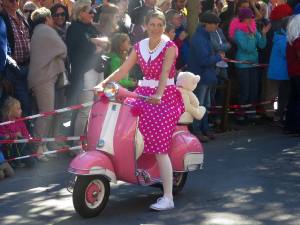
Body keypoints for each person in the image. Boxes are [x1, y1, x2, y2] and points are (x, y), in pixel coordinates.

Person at [94, 10, 184, 211]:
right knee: (125, 128)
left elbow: (164, 73)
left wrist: (159, 94)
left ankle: (168, 197)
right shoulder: (139, 46)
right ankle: (134, 170)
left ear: (164, 26)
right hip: (143, 93)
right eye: (152, 24)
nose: (156, 28)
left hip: (165, 96)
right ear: (145, 26)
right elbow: (123, 70)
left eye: (160, 24)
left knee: (160, 146)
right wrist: (102, 84)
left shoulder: (169, 47)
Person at [66, 0, 109, 142]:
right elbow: (90, 50)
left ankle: (90, 140)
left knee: (97, 108)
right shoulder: (74, 28)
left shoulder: (91, 27)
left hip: (98, 70)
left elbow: (106, 42)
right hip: (85, 72)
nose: (93, 13)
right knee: (85, 109)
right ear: (80, 13)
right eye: (89, 11)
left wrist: (93, 41)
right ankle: (76, 144)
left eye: (93, 10)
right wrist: (95, 44)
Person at [28, 7, 67, 159]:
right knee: (46, 113)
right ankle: (38, 148)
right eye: (52, 17)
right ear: (47, 18)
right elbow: (63, 49)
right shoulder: (46, 30)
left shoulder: (37, 31)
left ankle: (42, 146)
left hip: (40, 78)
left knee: (45, 113)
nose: (53, 20)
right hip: (44, 78)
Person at [187, 11, 224, 142]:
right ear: (205, 24)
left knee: (205, 105)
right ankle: (196, 130)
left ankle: (205, 128)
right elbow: (203, 60)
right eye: (214, 24)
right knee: (199, 105)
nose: (216, 26)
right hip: (201, 76)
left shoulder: (206, 36)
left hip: (206, 76)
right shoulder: (199, 38)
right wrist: (219, 57)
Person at [229, 8, 270, 121]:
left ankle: (251, 113)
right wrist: (251, 37)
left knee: (254, 90)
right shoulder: (238, 32)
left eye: (251, 18)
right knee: (245, 91)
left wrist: (263, 34)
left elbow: (262, 45)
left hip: (254, 64)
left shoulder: (253, 28)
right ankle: (241, 114)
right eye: (247, 18)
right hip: (243, 65)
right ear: (242, 19)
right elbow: (247, 48)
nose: (249, 20)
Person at [0, 97, 36, 168]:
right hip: (10, 149)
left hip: (21, 146)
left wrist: (25, 138)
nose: (21, 110)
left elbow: (26, 133)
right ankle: (15, 162)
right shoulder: (4, 123)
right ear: (11, 111)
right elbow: (3, 137)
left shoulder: (20, 121)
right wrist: (14, 135)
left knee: (32, 162)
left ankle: (20, 160)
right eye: (18, 109)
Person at [285, 14, 300, 135]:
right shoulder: (298, 40)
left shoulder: (290, 40)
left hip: (293, 72)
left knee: (294, 99)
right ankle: (296, 126)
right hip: (298, 72)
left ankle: (290, 125)